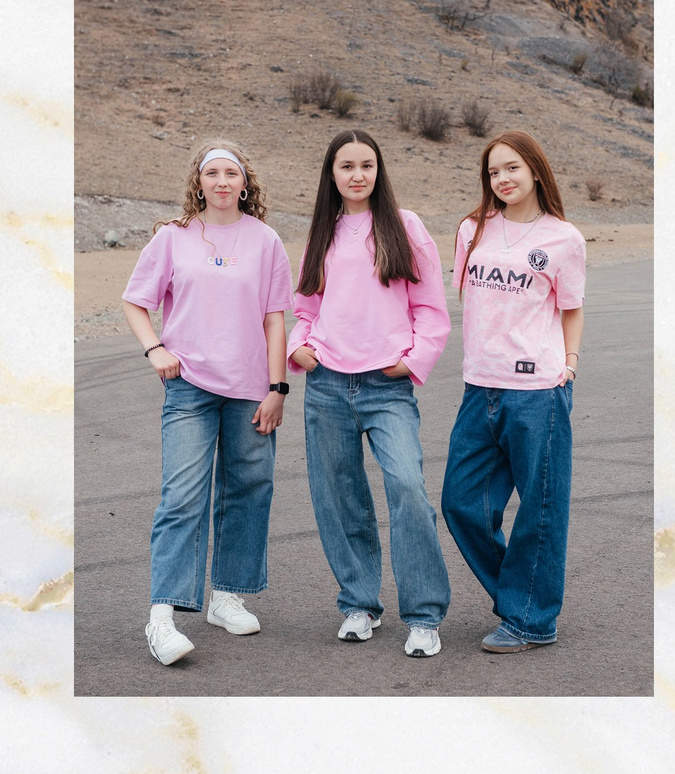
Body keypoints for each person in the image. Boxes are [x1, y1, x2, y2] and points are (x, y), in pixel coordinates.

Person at [120, 141, 292, 667]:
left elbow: (275, 319)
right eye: (212, 172)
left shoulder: (265, 240)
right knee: (181, 498)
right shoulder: (173, 237)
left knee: (248, 491)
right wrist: (155, 348)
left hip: (250, 388)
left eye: (230, 173)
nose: (221, 181)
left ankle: (226, 597)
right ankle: (162, 618)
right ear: (199, 181)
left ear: (245, 183)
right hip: (190, 386)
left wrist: (277, 388)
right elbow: (135, 301)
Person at [287, 129, 451, 657]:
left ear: (379, 171)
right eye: (346, 166)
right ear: (331, 174)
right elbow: (306, 307)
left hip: (387, 385)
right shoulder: (324, 232)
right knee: (339, 497)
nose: (357, 175)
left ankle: (423, 615)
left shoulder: (405, 226)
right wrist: (299, 347)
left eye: (367, 165)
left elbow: (431, 309)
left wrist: (413, 360)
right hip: (327, 384)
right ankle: (359, 604)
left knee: (407, 488)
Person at [442, 131, 587, 653]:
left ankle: (531, 620)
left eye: (512, 168)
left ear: (535, 171)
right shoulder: (472, 230)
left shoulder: (563, 238)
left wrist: (570, 365)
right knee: (461, 503)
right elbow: (473, 301)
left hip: (537, 391)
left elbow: (571, 309)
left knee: (540, 508)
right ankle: (524, 595)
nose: (502, 179)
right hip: (479, 387)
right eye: (493, 171)